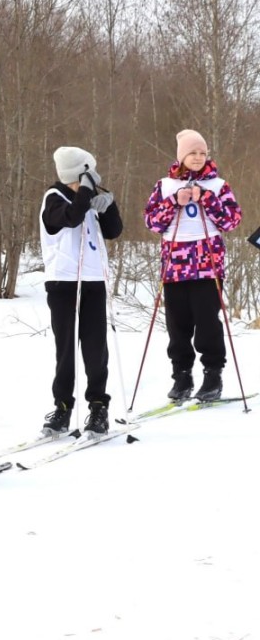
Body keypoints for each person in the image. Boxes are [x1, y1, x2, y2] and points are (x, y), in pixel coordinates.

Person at [144, 129, 241, 401]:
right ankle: (182, 376)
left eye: (202, 153)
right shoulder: (165, 185)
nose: (198, 158)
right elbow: (152, 222)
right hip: (175, 262)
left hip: (207, 260)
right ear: (181, 156)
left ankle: (212, 375)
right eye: (192, 153)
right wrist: (175, 201)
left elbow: (232, 221)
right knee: (178, 324)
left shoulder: (218, 185)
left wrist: (207, 199)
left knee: (207, 321)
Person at [40, 146, 123, 437]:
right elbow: (72, 217)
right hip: (63, 283)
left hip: (94, 282)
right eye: (87, 174)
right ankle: (62, 407)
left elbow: (113, 231)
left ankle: (98, 406)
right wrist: (85, 194)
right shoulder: (54, 198)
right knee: (66, 348)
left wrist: (108, 204)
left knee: (95, 346)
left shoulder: (88, 198)